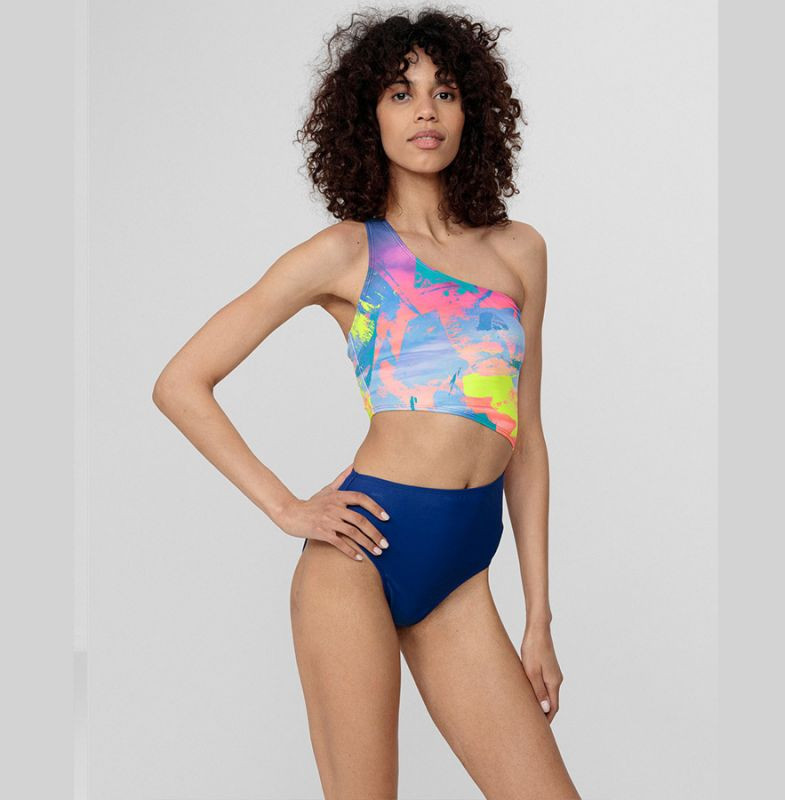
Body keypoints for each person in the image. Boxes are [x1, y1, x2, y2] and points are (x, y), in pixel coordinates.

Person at [153, 8, 581, 799]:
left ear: (472, 112)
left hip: (462, 576)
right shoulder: (347, 252)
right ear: (368, 115)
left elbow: (528, 441)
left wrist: (539, 618)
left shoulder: (520, 251)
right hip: (357, 560)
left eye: (444, 92)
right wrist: (286, 507)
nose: (425, 111)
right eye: (400, 93)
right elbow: (180, 382)